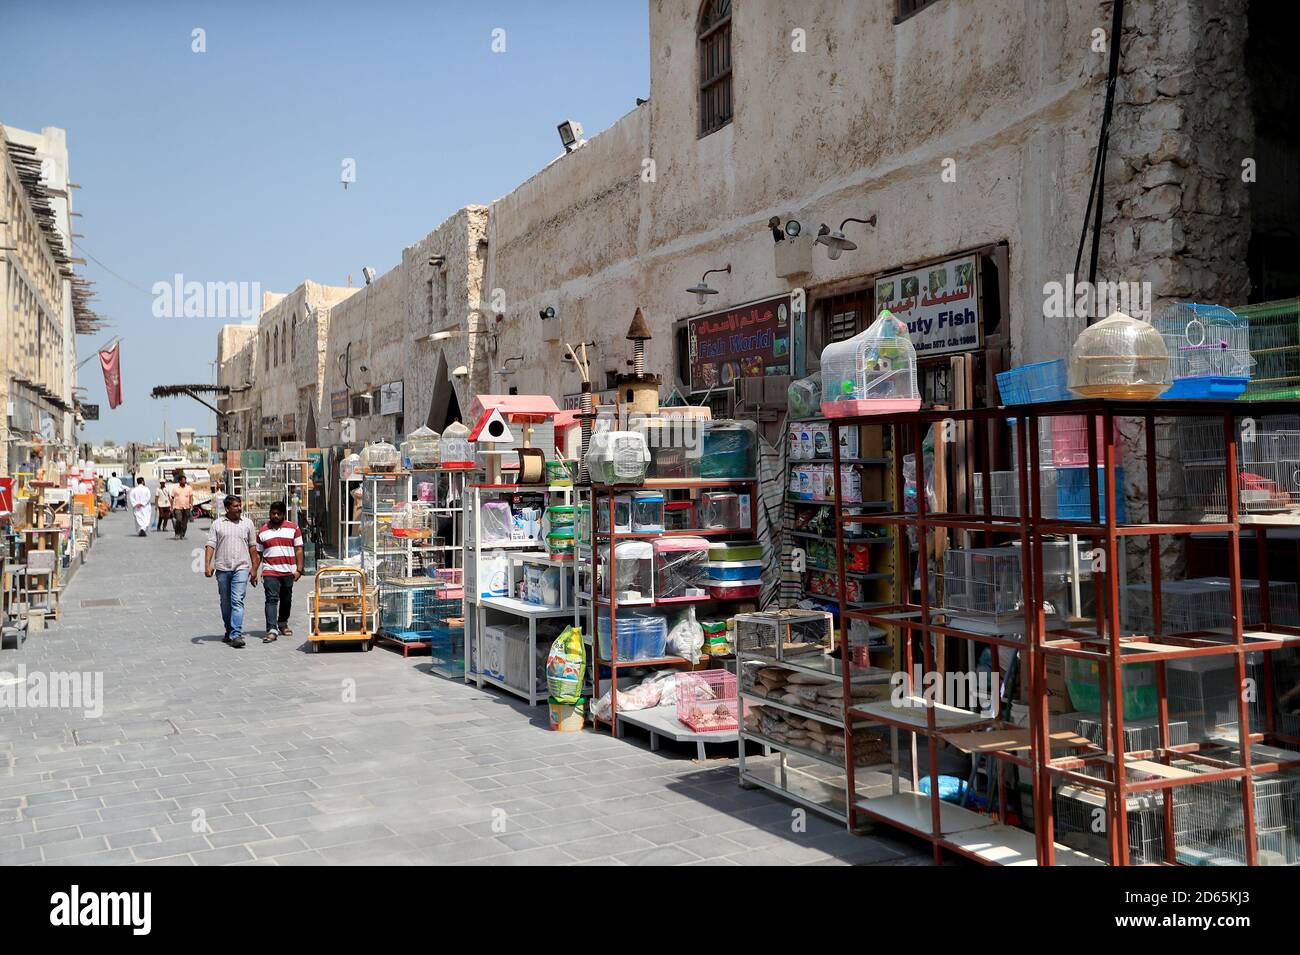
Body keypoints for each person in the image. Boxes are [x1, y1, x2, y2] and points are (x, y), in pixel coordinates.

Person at [204, 494, 259, 649]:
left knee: (237, 600)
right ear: (227, 508)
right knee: (226, 603)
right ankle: (228, 629)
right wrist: (207, 565)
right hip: (222, 568)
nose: (239, 508)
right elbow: (210, 545)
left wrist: (254, 568)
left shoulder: (247, 524)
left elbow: (253, 548)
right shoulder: (217, 524)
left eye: (240, 505)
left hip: (241, 568)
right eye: (235, 506)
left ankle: (236, 634)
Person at [255, 500, 304, 643]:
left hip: (289, 571)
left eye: (278, 513)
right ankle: (271, 629)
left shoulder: (293, 528)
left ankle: (282, 623)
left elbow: (299, 549)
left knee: (286, 599)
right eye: (273, 513)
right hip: (270, 571)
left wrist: (299, 569)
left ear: (284, 514)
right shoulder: (263, 531)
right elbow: (258, 553)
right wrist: (254, 571)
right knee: (271, 599)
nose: (275, 516)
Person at [170, 471, 194, 540]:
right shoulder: (175, 488)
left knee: (185, 522)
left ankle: (182, 534)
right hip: (177, 507)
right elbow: (172, 498)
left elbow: (191, 496)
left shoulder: (189, 488)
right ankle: (177, 533)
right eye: (183, 480)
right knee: (179, 520)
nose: (184, 481)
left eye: (185, 480)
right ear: (179, 481)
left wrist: (191, 504)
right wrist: (171, 507)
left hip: (186, 507)